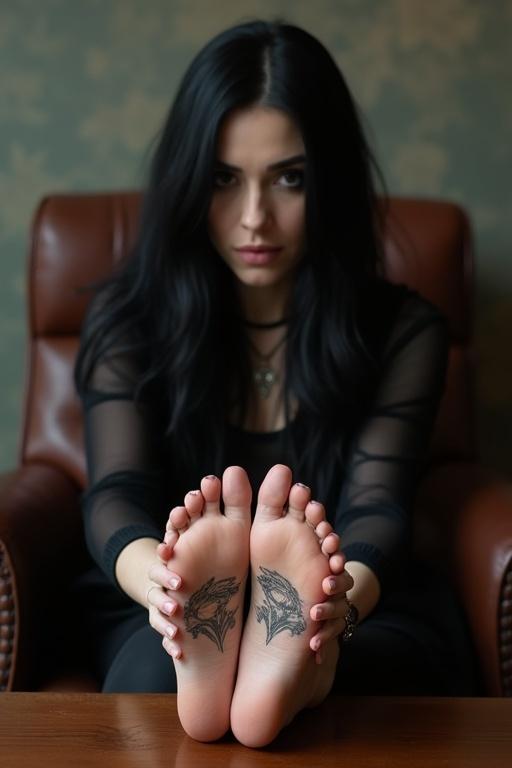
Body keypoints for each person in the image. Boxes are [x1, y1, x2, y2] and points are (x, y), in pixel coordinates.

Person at [74, 19, 476, 748]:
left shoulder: (400, 330)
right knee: (152, 666)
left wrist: (330, 614)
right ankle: (249, 654)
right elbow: (116, 494)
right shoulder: (130, 319)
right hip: (164, 604)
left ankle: (303, 661)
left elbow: (377, 508)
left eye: (290, 178)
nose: (254, 218)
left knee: (384, 663)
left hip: (353, 598)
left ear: (330, 182)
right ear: (189, 180)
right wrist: (166, 595)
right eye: (224, 179)